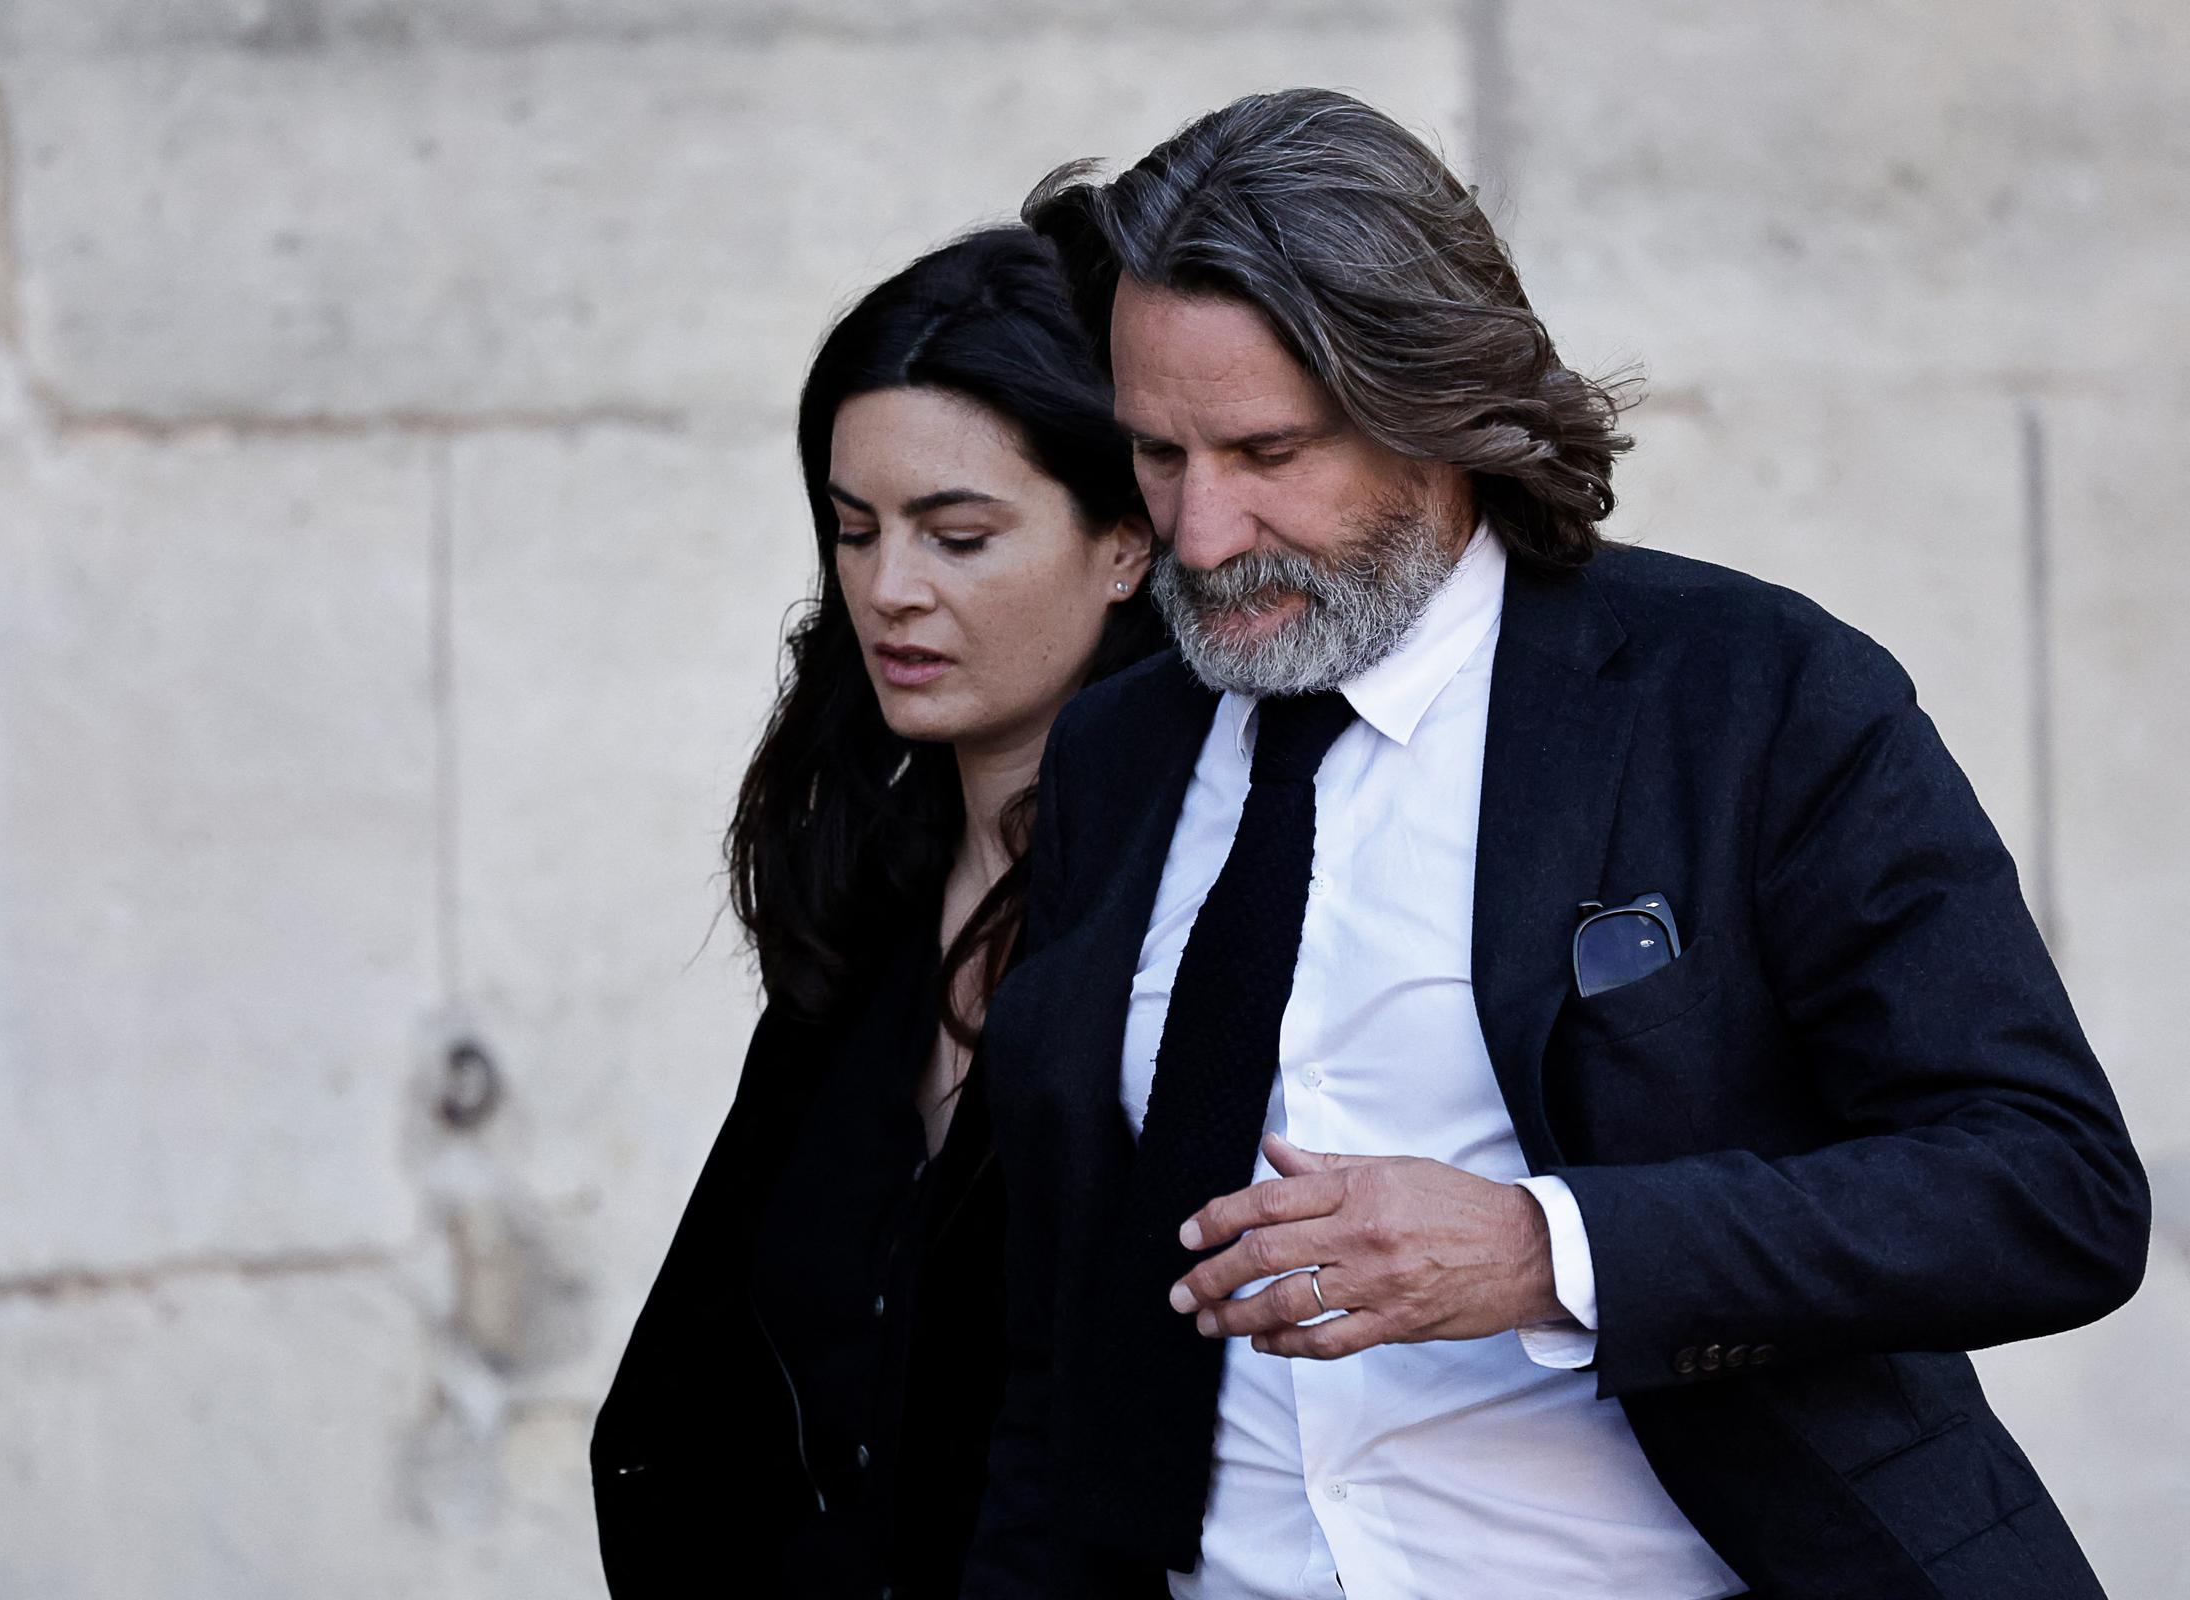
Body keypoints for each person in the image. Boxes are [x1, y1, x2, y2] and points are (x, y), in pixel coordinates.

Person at [962, 90, 2149, 1600]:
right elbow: (1059, 1330)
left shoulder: (1747, 694)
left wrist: (1548, 1251)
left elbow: (2046, 1189)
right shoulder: (1120, 752)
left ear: (1436, 410)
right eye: (1156, 455)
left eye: (1266, 450)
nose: (1200, 535)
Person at [590, 225, 1162, 1597]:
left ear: (1128, 545)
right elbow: (699, 1405)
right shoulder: (868, 906)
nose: (890, 588)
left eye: (959, 535)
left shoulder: (1199, 923)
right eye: (855, 531)